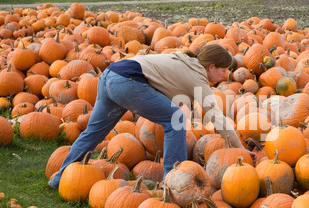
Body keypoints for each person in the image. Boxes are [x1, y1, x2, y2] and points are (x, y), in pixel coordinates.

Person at [48, 43, 255, 189]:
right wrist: (240, 148)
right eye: (223, 71)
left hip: (109, 77)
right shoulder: (197, 77)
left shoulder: (183, 60)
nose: (225, 76)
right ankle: (174, 184)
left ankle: (58, 180)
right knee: (176, 120)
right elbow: (217, 118)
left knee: (93, 133)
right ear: (211, 67)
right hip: (127, 82)